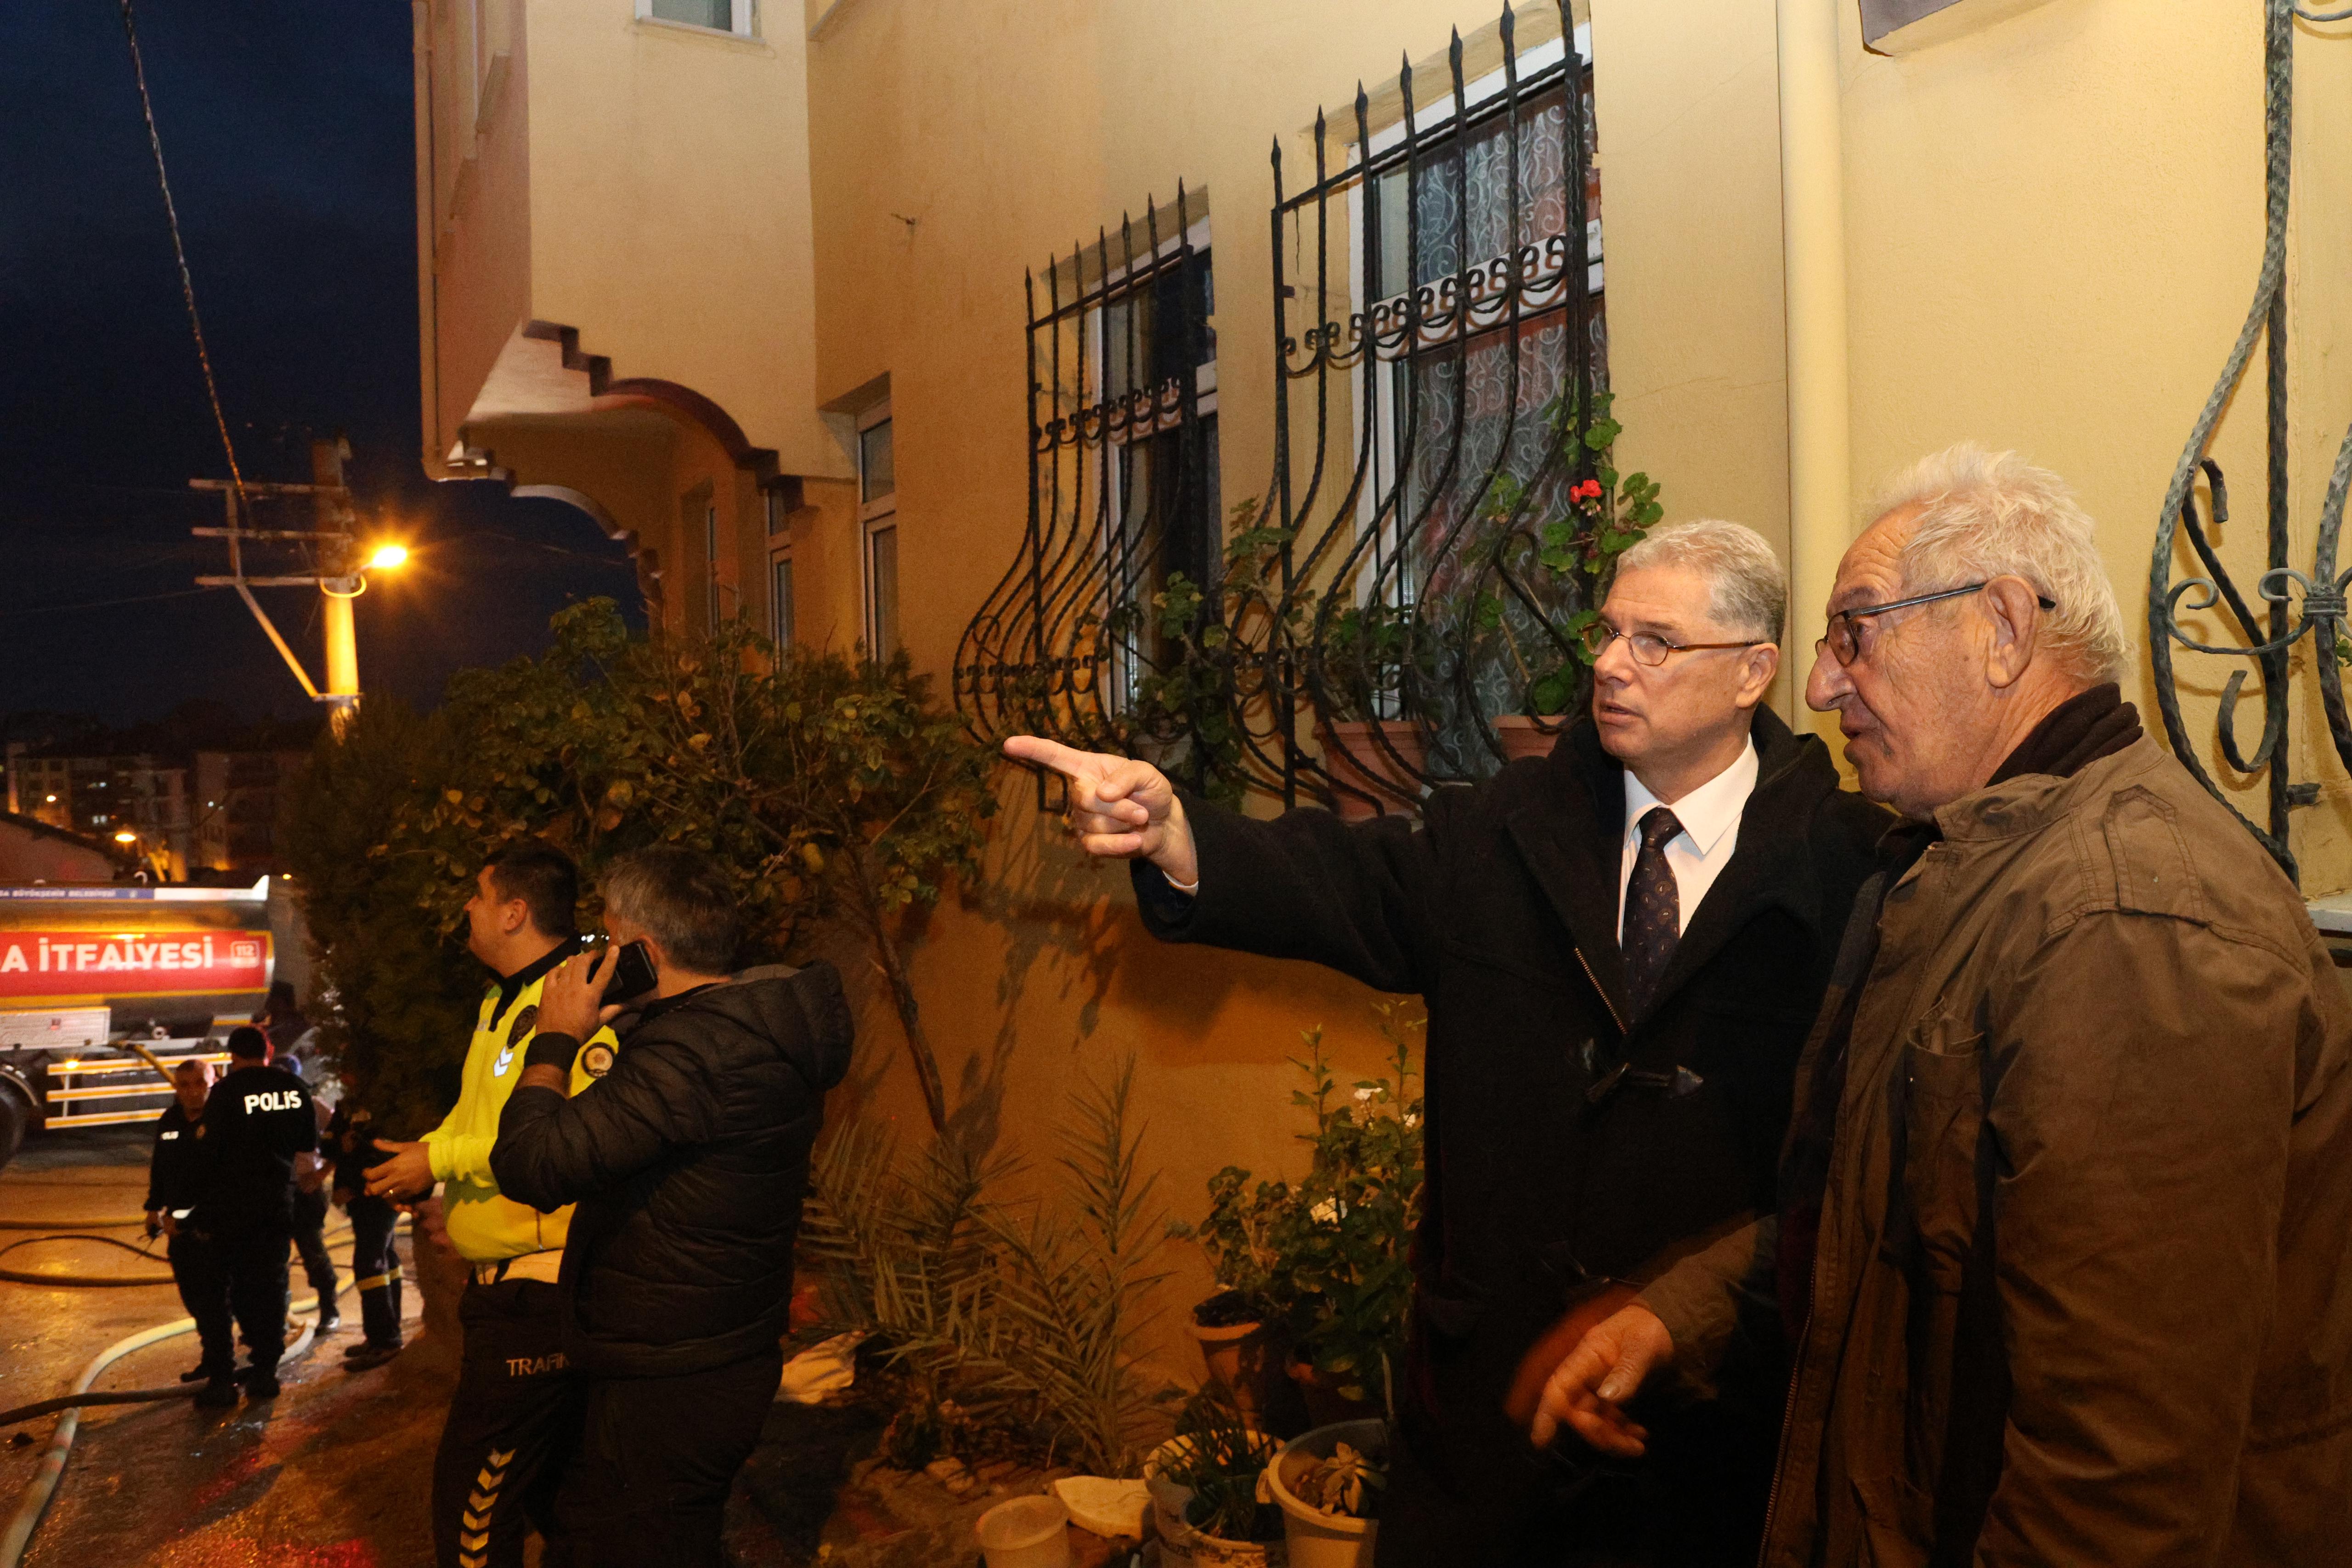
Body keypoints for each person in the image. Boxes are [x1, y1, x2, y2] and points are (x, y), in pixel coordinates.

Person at [1008, 519, 1892, 1566]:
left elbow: (1856, 1164)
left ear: (1753, 670)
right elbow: (1342, 882)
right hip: (1488, 1419)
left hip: (1710, 1434)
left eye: (1654, 642)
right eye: (1607, 633)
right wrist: (1176, 834)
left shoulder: (1850, 871)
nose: (1611, 663)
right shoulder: (1504, 830)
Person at [1532, 445, 2352, 1566]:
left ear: (2003, 626)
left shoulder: (2125, 919)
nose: (1819, 687)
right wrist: (1680, 1308)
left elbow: (2117, 1480)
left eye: (1854, 632)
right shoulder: (1966, 870)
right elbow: (1883, 1216)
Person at [490, 846, 853, 1568]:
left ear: (645, 951)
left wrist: (556, 1038)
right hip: (714, 1357)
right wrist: (626, 1018)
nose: (596, 956)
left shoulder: (694, 1053)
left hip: (673, 1382)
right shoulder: (741, 1026)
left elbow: (530, 1162)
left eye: (608, 940)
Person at [361, 838, 622, 1568]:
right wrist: (428, 1163)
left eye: (479, 894)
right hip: (504, 1292)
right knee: (561, 1504)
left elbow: (554, 1132)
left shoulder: (570, 1005)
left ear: (514, 911)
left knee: (472, 1508)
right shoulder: (500, 1001)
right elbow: (478, 1118)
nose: (467, 908)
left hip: (539, 1295)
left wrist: (438, 1160)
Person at [183, 1025, 318, 1407]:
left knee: (224, 1291)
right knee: (271, 1287)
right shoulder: (294, 1088)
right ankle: (264, 1373)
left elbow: (207, 1155)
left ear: (232, 1056)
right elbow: (307, 1157)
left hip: (231, 1209)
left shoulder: (226, 1092)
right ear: (269, 1050)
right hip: (276, 1207)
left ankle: (224, 1380)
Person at [143, 1056, 220, 1385]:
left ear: (214, 1082)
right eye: (185, 1085)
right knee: (193, 1296)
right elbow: (161, 1168)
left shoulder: (224, 1121)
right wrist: (154, 1208)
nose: (193, 1092)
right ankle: (213, 1356)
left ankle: (222, 1369)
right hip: (179, 1230)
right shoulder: (170, 1120)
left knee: (217, 1298)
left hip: (214, 1229)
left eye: (201, 1083)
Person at [328, 1098, 404, 1370]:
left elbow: (384, 1152)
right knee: (384, 1260)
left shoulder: (381, 1100)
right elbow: (330, 1143)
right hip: (360, 1197)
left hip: (378, 1195)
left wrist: (353, 1151)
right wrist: (343, 1148)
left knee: (369, 1264)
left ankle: (386, 1341)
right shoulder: (347, 1103)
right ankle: (381, 1336)